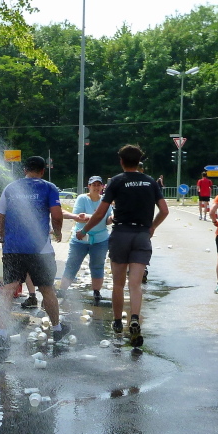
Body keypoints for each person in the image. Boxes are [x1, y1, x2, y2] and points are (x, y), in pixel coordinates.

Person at [77, 145, 169, 347]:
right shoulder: (150, 182)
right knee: (135, 284)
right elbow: (164, 210)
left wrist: (84, 231)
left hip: (121, 235)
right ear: (139, 161)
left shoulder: (116, 182)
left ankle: (118, 322)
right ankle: (134, 319)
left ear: (121, 161)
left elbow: (100, 213)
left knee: (118, 284)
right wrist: (152, 227)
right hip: (141, 235)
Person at [0, 156, 69, 346]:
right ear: (43, 171)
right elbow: (57, 215)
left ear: (24, 170)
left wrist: (3, 237)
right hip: (40, 250)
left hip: (13, 248)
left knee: (8, 289)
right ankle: (57, 330)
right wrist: (58, 232)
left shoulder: (10, 188)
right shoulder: (49, 187)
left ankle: (1, 334)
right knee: (47, 289)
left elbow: (0, 216)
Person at [59, 175, 113, 303]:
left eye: (98, 185)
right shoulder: (82, 198)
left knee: (97, 266)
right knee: (72, 264)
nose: (96, 187)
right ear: (89, 186)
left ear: (102, 187)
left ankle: (96, 292)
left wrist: (112, 218)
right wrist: (94, 217)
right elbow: (79, 217)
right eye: (93, 185)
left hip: (100, 239)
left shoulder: (105, 200)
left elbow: (107, 220)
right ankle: (62, 290)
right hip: (80, 238)